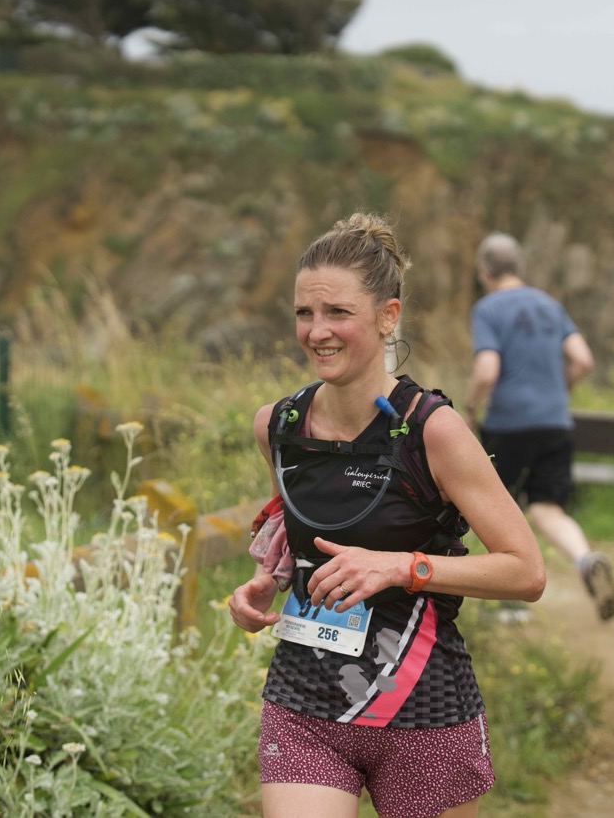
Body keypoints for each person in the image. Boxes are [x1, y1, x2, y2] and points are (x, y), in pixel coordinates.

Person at [229, 213, 546, 818]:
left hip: (421, 709)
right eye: (304, 313)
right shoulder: (278, 426)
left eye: (338, 312)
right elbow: (299, 537)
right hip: (304, 704)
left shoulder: (433, 430)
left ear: (387, 316)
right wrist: (265, 582)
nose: (317, 331)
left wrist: (401, 567)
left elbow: (526, 571)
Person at [463, 231, 614, 622]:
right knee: (547, 507)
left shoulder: (488, 309)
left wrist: (469, 407)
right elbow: (583, 359)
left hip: (508, 425)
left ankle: (509, 601)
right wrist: (556, 392)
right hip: (555, 423)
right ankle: (585, 559)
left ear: (484, 271)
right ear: (519, 266)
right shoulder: (551, 305)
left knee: (498, 512)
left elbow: (487, 370)